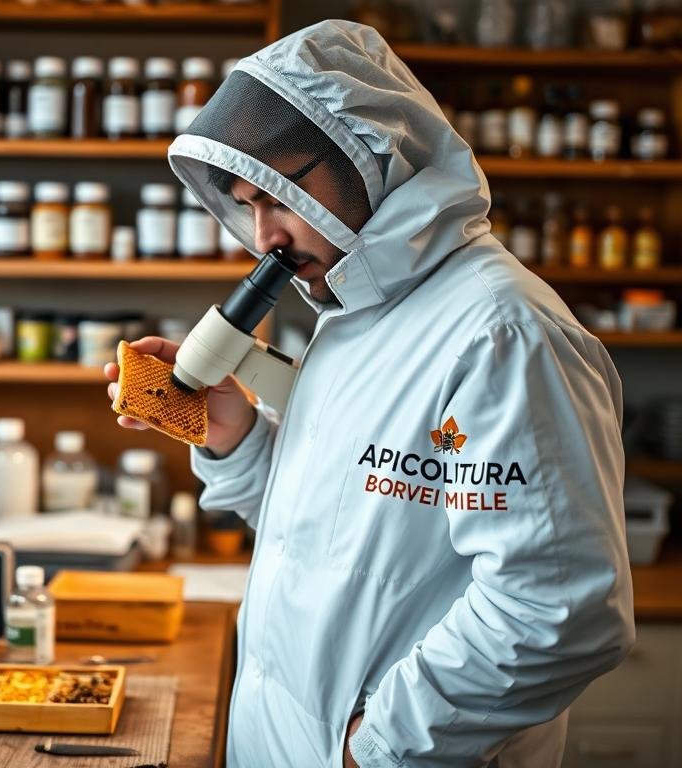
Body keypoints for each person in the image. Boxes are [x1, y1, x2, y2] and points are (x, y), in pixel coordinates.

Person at [104, 19, 635, 768]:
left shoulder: (502, 333)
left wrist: (374, 749)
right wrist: (233, 436)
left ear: (370, 154)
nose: (266, 239)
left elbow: (556, 607)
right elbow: (325, 541)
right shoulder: (355, 315)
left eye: (280, 196)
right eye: (248, 205)